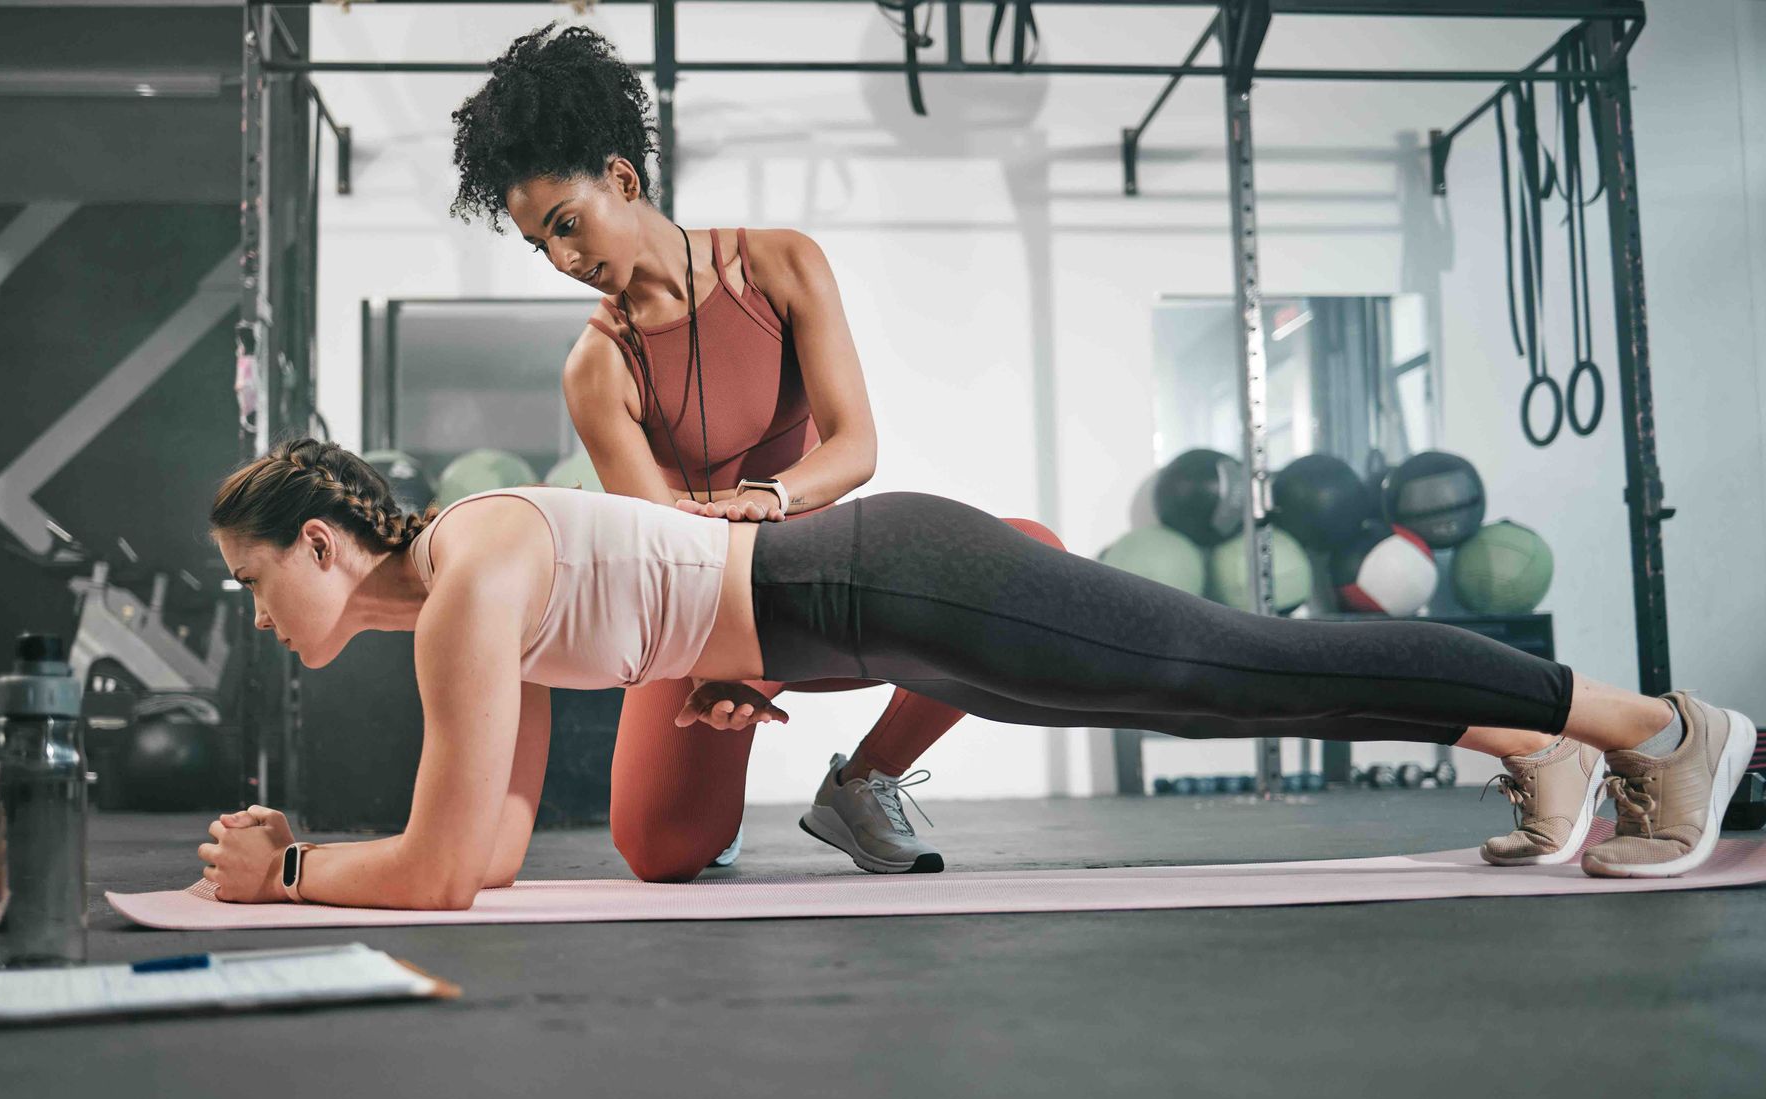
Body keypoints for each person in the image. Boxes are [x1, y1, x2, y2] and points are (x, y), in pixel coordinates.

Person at [198, 440, 1753, 908]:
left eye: (254, 578)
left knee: (1239, 662)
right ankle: (1534, 746)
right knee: (1231, 682)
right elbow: (470, 855)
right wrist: (340, 868)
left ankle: (1655, 726)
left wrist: (287, 872)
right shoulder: (477, 593)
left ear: (327, 544)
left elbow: (428, 876)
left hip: (887, 578)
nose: (252, 610)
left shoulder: (474, 575)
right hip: (879, 608)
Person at [447, 22, 1066, 880]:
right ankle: (718, 789)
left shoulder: (780, 265)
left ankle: (863, 782)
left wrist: (770, 500)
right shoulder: (596, 368)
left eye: (567, 223)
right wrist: (719, 666)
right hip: (702, 618)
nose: (562, 258)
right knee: (662, 851)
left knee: (1035, 565)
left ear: (622, 179)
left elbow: (856, 447)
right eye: (540, 243)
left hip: (814, 582)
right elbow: (656, 545)